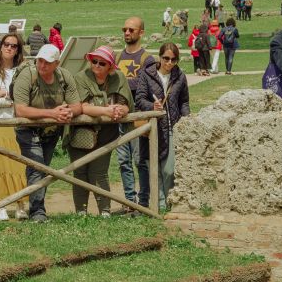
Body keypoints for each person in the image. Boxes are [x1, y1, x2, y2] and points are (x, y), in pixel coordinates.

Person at [12, 44, 81, 222]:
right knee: (37, 166)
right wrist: (53, 114)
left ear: (56, 63)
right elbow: (20, 110)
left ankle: (37, 207)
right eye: (40, 61)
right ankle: (38, 212)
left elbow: (77, 104)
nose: (42, 65)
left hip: (51, 131)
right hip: (27, 129)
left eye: (47, 62)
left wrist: (69, 112)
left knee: (43, 169)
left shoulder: (65, 77)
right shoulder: (27, 75)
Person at [68, 46, 132, 217]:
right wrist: (106, 111)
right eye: (94, 61)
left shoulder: (119, 77)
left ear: (110, 67)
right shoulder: (81, 77)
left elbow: (126, 103)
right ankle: (81, 212)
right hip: (80, 134)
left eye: (101, 63)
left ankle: (104, 211)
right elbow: (83, 106)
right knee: (80, 172)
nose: (96, 65)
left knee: (99, 172)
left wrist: (120, 110)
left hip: (106, 135)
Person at [135, 43, 190, 211]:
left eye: (174, 59)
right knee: (154, 168)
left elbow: (184, 101)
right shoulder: (146, 74)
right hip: (151, 128)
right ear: (160, 57)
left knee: (169, 169)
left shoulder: (180, 76)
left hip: (172, 126)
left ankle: (169, 202)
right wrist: (152, 106)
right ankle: (159, 206)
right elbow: (140, 99)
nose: (170, 63)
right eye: (166, 58)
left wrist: (187, 120)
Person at [0, 33, 28, 220]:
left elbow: (24, 96)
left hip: (18, 122)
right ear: (0, 46)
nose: (9, 48)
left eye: (14, 46)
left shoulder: (23, 69)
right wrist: (8, 98)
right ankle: (0, 205)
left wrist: (1, 94)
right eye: (6, 44)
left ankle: (20, 204)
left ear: (18, 49)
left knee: (18, 166)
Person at [115, 17, 156, 208]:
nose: (127, 33)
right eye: (125, 29)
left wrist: (124, 84)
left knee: (140, 161)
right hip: (120, 118)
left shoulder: (146, 59)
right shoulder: (117, 57)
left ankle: (144, 201)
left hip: (138, 116)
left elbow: (145, 86)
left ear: (141, 33)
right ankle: (129, 201)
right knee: (124, 161)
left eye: (131, 30)